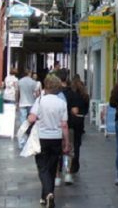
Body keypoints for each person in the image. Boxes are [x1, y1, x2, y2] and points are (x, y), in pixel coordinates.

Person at [28, 74, 71, 208]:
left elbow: (31, 119)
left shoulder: (40, 101)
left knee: (42, 168)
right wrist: (67, 141)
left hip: (41, 138)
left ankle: (48, 194)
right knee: (52, 168)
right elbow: (64, 125)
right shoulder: (62, 103)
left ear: (46, 86)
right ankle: (45, 196)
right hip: (56, 139)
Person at [66, 75, 90, 174]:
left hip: (71, 121)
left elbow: (67, 107)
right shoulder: (84, 95)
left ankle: (71, 164)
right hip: (80, 120)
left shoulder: (70, 94)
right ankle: (76, 163)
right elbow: (86, 110)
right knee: (77, 143)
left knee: (71, 142)